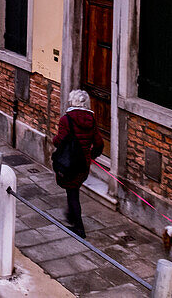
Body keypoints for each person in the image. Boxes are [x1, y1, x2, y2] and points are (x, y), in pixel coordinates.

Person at [52, 89, 104, 237]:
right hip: (83, 165)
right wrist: (90, 156)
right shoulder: (91, 120)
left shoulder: (66, 119)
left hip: (70, 164)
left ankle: (79, 227)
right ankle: (71, 215)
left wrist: (54, 140)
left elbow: (59, 141)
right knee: (73, 190)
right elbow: (99, 144)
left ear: (72, 101)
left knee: (73, 194)